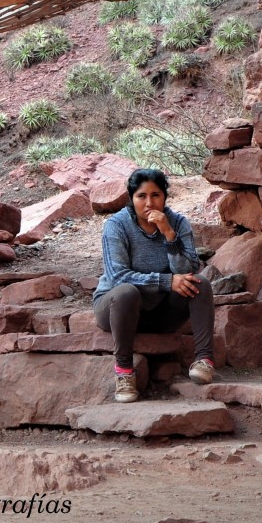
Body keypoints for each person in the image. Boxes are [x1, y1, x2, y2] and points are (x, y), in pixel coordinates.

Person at [93, 168, 215, 403]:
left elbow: (189, 270)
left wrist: (169, 234)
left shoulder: (177, 222)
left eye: (156, 195)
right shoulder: (116, 226)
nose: (149, 203)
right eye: (141, 196)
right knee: (126, 291)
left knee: (200, 283)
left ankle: (204, 361)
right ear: (132, 198)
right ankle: (124, 372)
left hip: (159, 312)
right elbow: (118, 277)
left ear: (165, 197)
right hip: (117, 307)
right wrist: (166, 281)